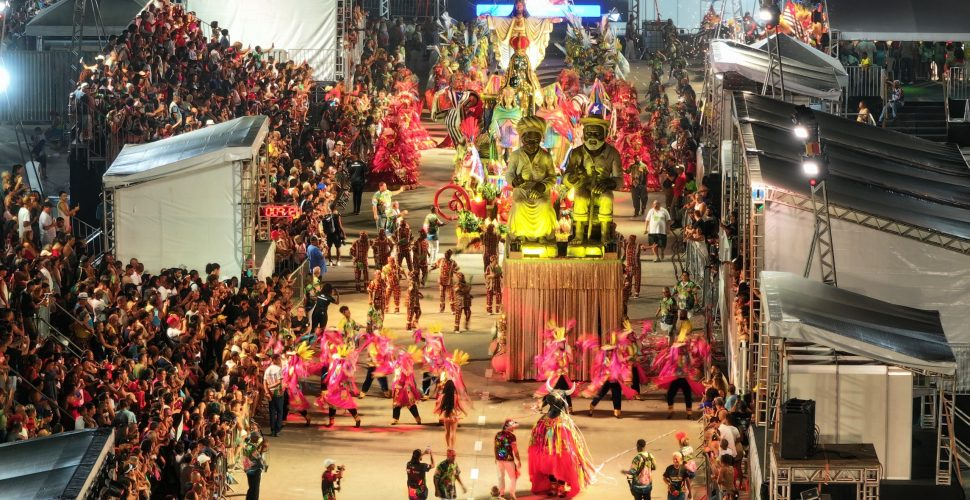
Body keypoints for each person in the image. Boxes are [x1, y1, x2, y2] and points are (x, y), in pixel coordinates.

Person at [563, 115, 623, 244]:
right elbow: (566, 178)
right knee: (580, 198)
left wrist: (608, 183)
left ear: (605, 134)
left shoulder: (613, 153)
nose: (592, 138)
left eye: (597, 134)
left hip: (602, 189)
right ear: (583, 134)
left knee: (607, 198)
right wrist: (574, 177)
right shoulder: (577, 152)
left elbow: (619, 180)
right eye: (589, 134)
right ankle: (579, 234)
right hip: (583, 188)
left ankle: (605, 234)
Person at [528, 389, 594, 498]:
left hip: (561, 450)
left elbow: (568, 438)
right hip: (548, 449)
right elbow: (538, 437)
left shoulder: (563, 423)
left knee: (560, 467)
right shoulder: (543, 422)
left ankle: (561, 487)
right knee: (550, 466)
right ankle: (554, 486)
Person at [505, 115, 558, 242]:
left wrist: (542, 186)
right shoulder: (515, 155)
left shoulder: (546, 157)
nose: (532, 145)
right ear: (522, 139)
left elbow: (552, 177)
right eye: (528, 141)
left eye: (536, 141)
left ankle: (542, 235)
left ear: (540, 139)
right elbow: (509, 173)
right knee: (519, 204)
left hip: (541, 192)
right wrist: (514, 181)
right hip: (521, 191)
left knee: (544, 204)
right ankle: (520, 234)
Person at [392, 348, 423, 424]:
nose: (400, 359)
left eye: (401, 357)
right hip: (397, 388)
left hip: (405, 388)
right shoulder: (396, 364)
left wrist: (407, 387)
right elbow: (392, 360)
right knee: (396, 403)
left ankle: (417, 418)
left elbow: (409, 379)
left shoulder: (407, 368)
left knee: (410, 404)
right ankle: (395, 419)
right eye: (399, 357)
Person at [494, 418, 522, 499]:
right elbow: (515, 450)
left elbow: (495, 447)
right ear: (509, 427)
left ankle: (501, 493)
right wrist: (519, 460)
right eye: (513, 427)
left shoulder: (498, 434)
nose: (514, 428)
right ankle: (512, 493)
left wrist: (496, 458)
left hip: (499, 459)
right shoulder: (512, 436)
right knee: (513, 477)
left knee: (500, 477)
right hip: (508, 460)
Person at [435, 379, 465, 450]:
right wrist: (464, 412)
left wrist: (436, 411)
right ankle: (452, 448)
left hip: (446, 415)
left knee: (447, 432)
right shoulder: (456, 396)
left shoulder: (443, 396)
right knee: (453, 432)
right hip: (453, 415)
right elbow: (460, 406)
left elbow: (438, 404)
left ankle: (448, 447)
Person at [264, 354, 284, 437]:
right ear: (274, 360)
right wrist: (271, 386)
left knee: (272, 412)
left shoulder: (267, 369)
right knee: (279, 411)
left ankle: (272, 430)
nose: (280, 360)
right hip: (277, 392)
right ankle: (277, 428)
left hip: (270, 393)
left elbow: (264, 382)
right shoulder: (278, 369)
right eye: (278, 359)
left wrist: (267, 391)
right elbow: (279, 382)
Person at [243, 431, 267, 500]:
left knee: (252, 487)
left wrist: (261, 448)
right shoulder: (250, 446)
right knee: (255, 488)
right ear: (253, 438)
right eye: (256, 438)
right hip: (254, 469)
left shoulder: (249, 445)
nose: (257, 439)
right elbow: (256, 456)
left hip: (250, 469)